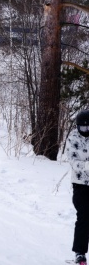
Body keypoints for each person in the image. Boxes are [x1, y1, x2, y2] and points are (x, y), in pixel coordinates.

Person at [66, 109, 89, 264]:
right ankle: (80, 253)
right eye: (82, 128)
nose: (85, 131)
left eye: (88, 128)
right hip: (80, 184)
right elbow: (73, 161)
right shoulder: (73, 137)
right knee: (84, 216)